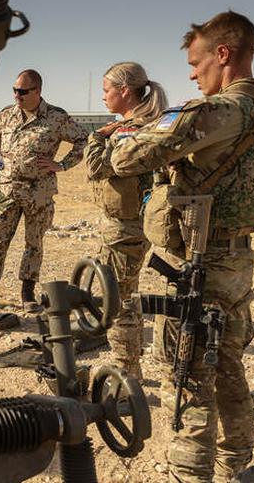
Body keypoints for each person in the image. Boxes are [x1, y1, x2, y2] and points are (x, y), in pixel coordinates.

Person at [110, 11, 254, 482]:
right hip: (238, 260)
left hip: (202, 261)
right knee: (228, 363)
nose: (192, 74)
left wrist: (131, 137)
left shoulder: (219, 112)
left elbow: (126, 157)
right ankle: (236, 464)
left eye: (196, 63)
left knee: (189, 376)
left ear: (223, 55)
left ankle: (189, 475)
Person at [0, 69, 88, 312]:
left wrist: (62, 165)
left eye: (23, 91)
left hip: (39, 192)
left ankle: (27, 292)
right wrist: (0, 157)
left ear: (38, 91)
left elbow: (82, 139)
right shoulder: (7, 115)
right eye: (15, 90)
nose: (17, 96)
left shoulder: (56, 117)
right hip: (8, 189)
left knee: (33, 243)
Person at [85, 62, 168, 379]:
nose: (103, 96)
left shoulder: (126, 133)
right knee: (125, 295)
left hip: (125, 227)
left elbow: (96, 167)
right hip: (139, 223)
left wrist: (96, 136)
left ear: (124, 91)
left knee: (119, 300)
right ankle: (128, 366)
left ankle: (126, 371)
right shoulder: (153, 125)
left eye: (106, 90)